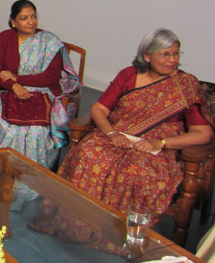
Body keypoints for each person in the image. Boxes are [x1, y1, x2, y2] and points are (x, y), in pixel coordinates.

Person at [30, 28, 213, 253]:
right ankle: (74, 226)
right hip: (117, 135)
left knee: (136, 170)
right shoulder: (128, 75)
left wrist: (161, 143)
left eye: (176, 54)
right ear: (147, 56)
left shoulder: (184, 85)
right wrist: (111, 134)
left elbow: (202, 133)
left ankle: (119, 237)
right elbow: (99, 109)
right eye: (165, 54)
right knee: (87, 152)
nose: (172, 60)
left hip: (155, 147)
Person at [0, 0, 81, 209]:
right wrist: (13, 86)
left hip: (41, 93)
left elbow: (51, 77)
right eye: (24, 18)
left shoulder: (49, 42)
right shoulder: (5, 38)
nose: (30, 22)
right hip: (10, 92)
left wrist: (19, 80)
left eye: (33, 16)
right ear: (13, 22)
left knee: (35, 131)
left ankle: (27, 183)